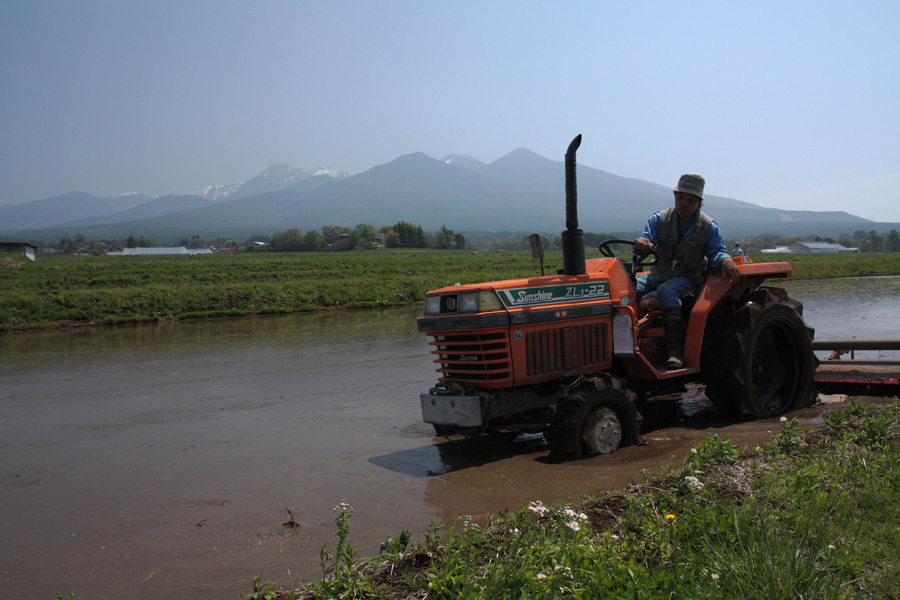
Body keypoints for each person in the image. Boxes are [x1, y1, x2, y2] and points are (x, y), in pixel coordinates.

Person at [634, 173, 741, 370]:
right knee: (627, 288)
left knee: (667, 291)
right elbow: (646, 237)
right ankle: (630, 342)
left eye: (689, 200)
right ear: (675, 197)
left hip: (687, 278)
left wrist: (726, 260)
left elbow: (717, 251)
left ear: (699, 203)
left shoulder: (708, 226)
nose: (683, 203)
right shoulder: (660, 219)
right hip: (658, 275)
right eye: (680, 198)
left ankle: (675, 352)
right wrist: (643, 243)